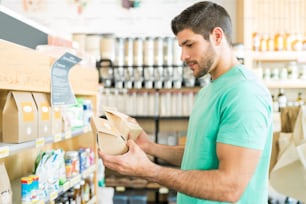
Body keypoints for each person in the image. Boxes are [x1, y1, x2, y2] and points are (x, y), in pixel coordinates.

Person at [98, 1, 273, 203]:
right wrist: (150, 148)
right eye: (181, 47)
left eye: (190, 45)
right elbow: (200, 156)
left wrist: (150, 171)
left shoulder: (244, 92)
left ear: (217, 36)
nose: (183, 56)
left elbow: (230, 187)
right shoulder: (209, 90)